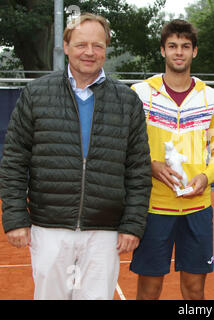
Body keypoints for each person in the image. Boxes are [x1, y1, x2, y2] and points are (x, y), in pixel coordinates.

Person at [0, 13, 152, 300]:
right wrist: (16, 217)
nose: (90, 52)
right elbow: (14, 160)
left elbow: (138, 169)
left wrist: (132, 224)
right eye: (81, 44)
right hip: (48, 227)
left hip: (104, 232)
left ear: (106, 49)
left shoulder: (127, 100)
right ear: (66, 46)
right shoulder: (36, 93)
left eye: (98, 45)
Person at [129, 19, 214, 300]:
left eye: (185, 46)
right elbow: (129, 147)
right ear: (162, 50)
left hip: (198, 207)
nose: (179, 52)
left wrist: (206, 177)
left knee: (195, 290)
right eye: (172, 46)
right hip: (153, 206)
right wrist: (150, 165)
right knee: (149, 289)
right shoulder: (140, 94)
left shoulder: (213, 98)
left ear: (194, 51)